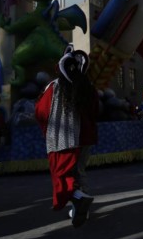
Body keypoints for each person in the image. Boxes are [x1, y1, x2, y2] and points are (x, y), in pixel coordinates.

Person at [35, 44, 99, 228]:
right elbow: (95, 111)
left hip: (63, 139)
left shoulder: (54, 87)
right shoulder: (88, 86)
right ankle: (82, 209)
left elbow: (40, 111)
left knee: (63, 174)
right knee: (79, 172)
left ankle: (79, 200)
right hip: (85, 138)